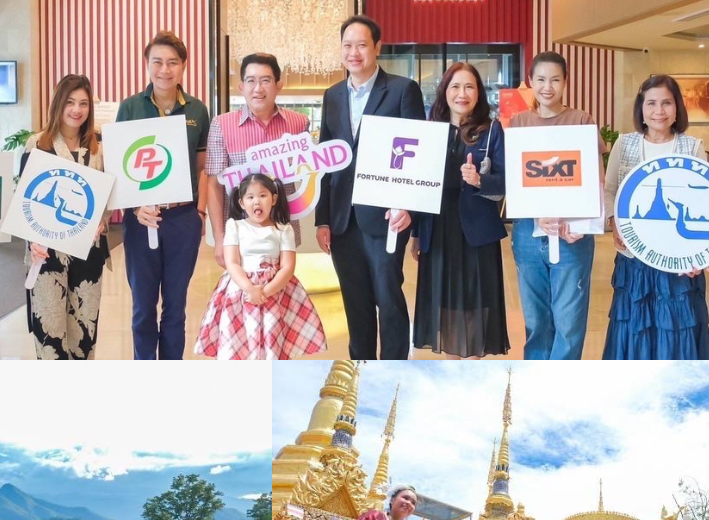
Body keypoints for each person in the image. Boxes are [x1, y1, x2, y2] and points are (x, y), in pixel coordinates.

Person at [315, 14, 425, 360]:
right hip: (342, 219)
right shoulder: (332, 95)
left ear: (377, 47)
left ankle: (394, 370)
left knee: (388, 297)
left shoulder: (402, 89)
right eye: (348, 45)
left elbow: (417, 152)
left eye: (362, 45)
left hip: (387, 215)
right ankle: (360, 370)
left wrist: (409, 206)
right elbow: (324, 160)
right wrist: (322, 219)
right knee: (355, 302)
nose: (354, 52)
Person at [603, 76, 709, 360]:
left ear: (677, 107)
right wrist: (616, 224)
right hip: (634, 259)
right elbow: (610, 190)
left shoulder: (693, 146)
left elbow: (708, 202)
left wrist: (699, 254)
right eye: (651, 103)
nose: (659, 111)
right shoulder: (624, 143)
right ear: (641, 108)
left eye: (666, 103)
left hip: (678, 263)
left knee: (677, 329)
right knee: (634, 328)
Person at [116, 30, 210, 359]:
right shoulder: (130, 107)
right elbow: (119, 169)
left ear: (184, 66)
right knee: (143, 307)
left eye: (172, 62)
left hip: (181, 219)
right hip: (140, 219)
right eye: (157, 62)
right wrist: (133, 206)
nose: (164, 70)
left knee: (175, 307)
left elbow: (203, 168)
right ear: (147, 64)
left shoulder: (197, 110)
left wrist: (199, 213)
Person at [509, 52, 607, 361]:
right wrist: (537, 212)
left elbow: (595, 179)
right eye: (540, 80)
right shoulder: (519, 123)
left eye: (554, 80)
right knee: (536, 320)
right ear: (530, 82)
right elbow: (515, 179)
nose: (547, 87)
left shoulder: (580, 121)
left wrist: (579, 223)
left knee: (568, 320)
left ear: (565, 82)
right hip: (529, 232)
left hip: (570, 234)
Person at [411, 62, 509, 360]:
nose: (462, 93)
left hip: (476, 234)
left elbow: (506, 182)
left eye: (469, 87)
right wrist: (416, 234)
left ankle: (473, 363)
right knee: (446, 304)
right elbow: (418, 186)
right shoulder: (430, 130)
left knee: (474, 302)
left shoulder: (491, 131)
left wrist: (480, 180)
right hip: (437, 231)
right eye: (455, 86)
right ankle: (455, 362)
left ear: (479, 93)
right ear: (445, 92)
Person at [22, 74, 110, 359]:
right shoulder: (38, 144)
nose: (77, 109)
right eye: (70, 102)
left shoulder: (99, 145)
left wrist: (104, 218)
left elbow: (111, 194)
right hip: (47, 251)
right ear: (59, 103)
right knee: (50, 329)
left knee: (84, 328)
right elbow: (25, 199)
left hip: (89, 248)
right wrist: (31, 240)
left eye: (83, 103)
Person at [194, 172, 326, 359]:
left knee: (272, 340)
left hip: (275, 294)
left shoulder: (283, 228)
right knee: (239, 340)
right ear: (241, 203)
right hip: (240, 293)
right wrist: (250, 289)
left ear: (273, 199)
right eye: (250, 197)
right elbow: (232, 262)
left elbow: (287, 267)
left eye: (263, 195)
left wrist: (265, 292)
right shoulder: (234, 226)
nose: (257, 202)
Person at [204, 52, 309, 269]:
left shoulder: (299, 124)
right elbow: (214, 185)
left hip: (282, 233)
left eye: (265, 80)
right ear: (241, 86)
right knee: (244, 295)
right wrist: (220, 236)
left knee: (280, 293)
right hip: (238, 236)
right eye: (251, 81)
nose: (258, 88)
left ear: (278, 85)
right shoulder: (221, 125)